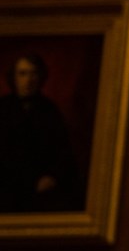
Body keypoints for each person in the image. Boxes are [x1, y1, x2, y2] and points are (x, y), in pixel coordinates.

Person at [0, 53, 84, 213]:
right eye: (23, 74)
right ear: (13, 77)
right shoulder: (2, 108)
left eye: (33, 74)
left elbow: (63, 152)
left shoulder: (49, 110)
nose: (29, 80)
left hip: (40, 185)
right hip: (6, 184)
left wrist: (52, 176)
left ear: (41, 78)